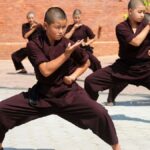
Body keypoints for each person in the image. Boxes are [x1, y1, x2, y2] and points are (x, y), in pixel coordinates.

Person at [0, 7, 121, 150]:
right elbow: (45, 70)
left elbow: (86, 62)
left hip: (69, 93)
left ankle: (117, 147)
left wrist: (73, 76)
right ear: (46, 26)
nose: (61, 31)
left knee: (100, 113)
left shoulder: (67, 43)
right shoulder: (34, 44)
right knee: (2, 110)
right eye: (57, 27)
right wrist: (66, 55)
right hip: (42, 95)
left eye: (64, 27)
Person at [85, 0, 150, 106]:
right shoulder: (121, 27)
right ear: (130, 11)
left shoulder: (146, 23)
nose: (143, 15)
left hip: (146, 68)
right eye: (139, 12)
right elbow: (135, 42)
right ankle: (91, 108)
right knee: (90, 81)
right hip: (124, 68)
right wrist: (148, 27)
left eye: (144, 12)